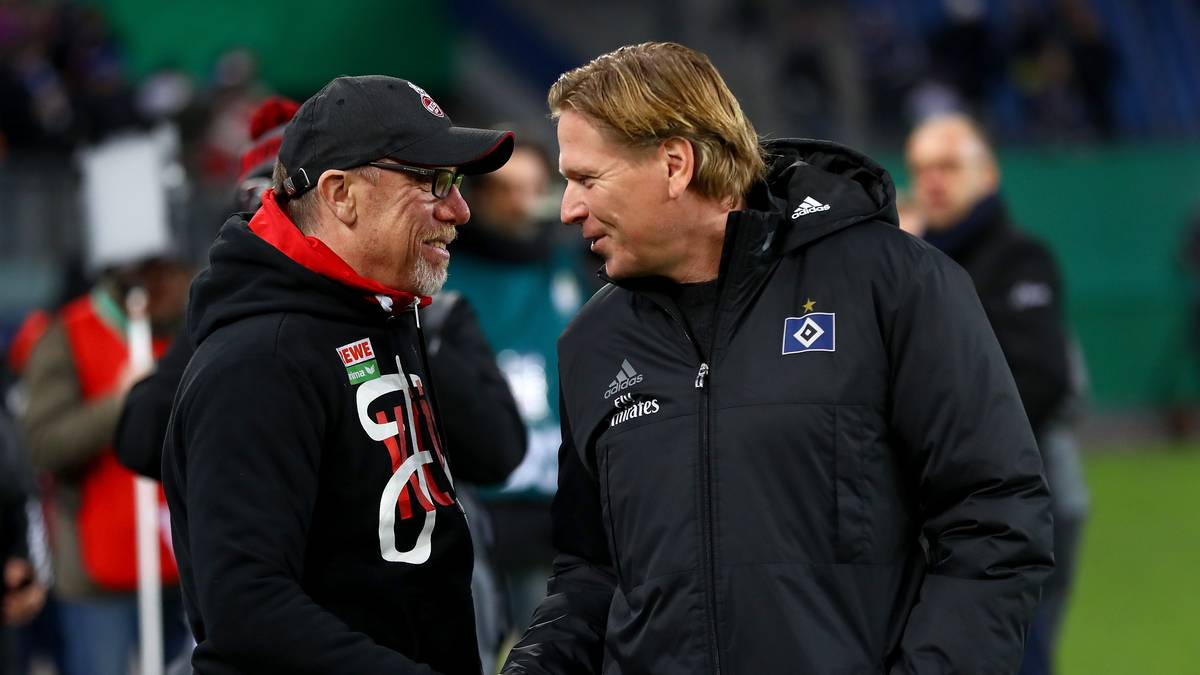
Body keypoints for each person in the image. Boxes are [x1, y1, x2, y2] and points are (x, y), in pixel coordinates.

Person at [502, 42, 1053, 674]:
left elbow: (994, 517)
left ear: (675, 164)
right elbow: (592, 571)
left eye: (587, 179)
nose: (568, 208)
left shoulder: (892, 284)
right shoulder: (592, 341)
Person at [161, 75, 515, 673]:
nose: (459, 209)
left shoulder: (387, 317)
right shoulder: (259, 361)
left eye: (455, 183)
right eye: (432, 181)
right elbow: (249, 610)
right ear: (341, 194)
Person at [906, 113, 1085, 675]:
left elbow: (1041, 380)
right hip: (935, 506)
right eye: (920, 169)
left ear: (987, 176)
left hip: (1015, 497)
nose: (932, 180)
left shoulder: (1019, 258)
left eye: (948, 167)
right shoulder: (906, 263)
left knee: (1013, 650)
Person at [442, 136, 591, 638]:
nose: (521, 201)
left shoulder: (573, 267)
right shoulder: (440, 273)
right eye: (506, 189)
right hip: (471, 508)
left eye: (532, 187)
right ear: (477, 196)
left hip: (557, 508)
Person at [20, 257, 192, 675]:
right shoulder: (69, 334)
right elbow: (42, 446)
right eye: (161, 273)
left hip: (183, 567)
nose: (174, 284)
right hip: (97, 577)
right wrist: (122, 402)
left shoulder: (196, 326)